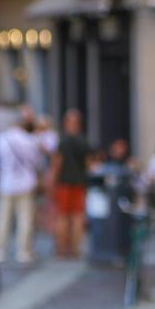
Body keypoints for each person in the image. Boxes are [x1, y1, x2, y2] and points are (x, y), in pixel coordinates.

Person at [0, 117, 41, 264]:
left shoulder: (1, 139)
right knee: (24, 219)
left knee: (3, 218)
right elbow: (36, 162)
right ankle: (23, 251)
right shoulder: (30, 140)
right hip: (26, 183)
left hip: (6, 183)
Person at [48, 109, 89, 258]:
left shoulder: (62, 142)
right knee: (77, 217)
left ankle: (63, 248)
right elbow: (89, 164)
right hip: (79, 183)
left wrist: (51, 182)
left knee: (63, 216)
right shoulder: (83, 141)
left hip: (64, 183)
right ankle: (75, 248)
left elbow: (56, 164)